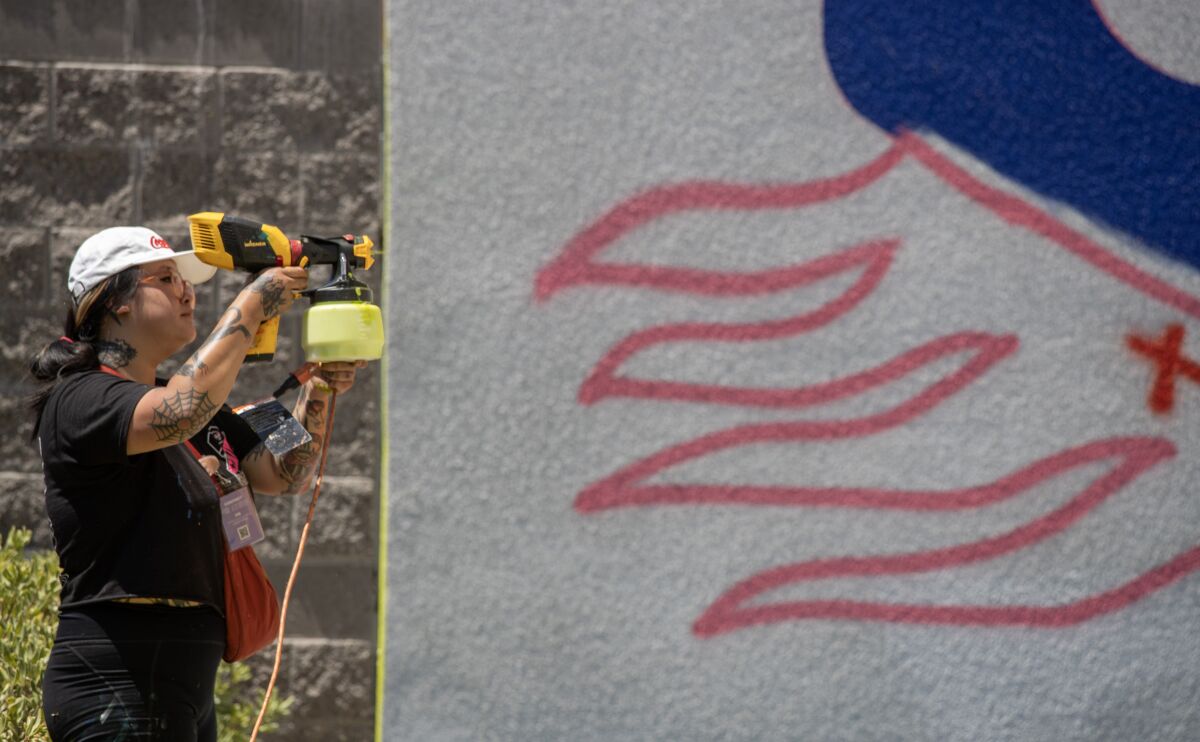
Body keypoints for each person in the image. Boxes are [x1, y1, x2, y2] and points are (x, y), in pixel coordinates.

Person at [28, 226, 366, 741]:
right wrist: (251, 307)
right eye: (165, 278)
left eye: (183, 278)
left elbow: (281, 473)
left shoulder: (184, 404)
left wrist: (316, 385)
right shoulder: (82, 398)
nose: (187, 290)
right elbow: (183, 411)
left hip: (183, 677)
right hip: (117, 678)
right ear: (115, 303)